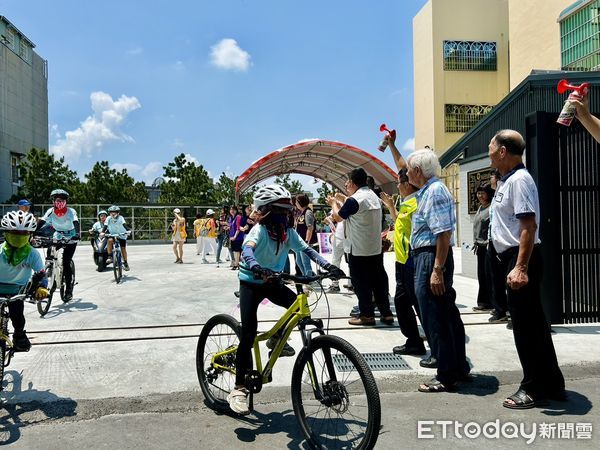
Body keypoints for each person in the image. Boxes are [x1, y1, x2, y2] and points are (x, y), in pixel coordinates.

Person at [227, 184, 345, 415]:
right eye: (281, 211)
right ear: (267, 212)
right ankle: (239, 389)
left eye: (287, 211)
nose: (286, 215)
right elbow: (248, 250)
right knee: (249, 333)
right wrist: (256, 267)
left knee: (299, 310)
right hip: (252, 282)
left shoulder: (287, 233)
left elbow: (308, 251)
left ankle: (277, 340)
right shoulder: (259, 231)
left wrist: (329, 266)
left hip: (274, 281)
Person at [488, 129, 565, 409]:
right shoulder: (507, 180)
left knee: (526, 329)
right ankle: (553, 384)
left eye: (491, 147)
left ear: (503, 151)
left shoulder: (520, 180)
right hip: (513, 258)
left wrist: (520, 267)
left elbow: (528, 227)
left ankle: (534, 387)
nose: (488, 152)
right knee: (536, 326)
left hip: (522, 259)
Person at [406, 149, 469, 393]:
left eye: (410, 169)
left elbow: (443, 234)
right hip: (429, 256)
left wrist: (437, 269)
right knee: (445, 314)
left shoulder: (434, 191)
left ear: (418, 171)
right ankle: (457, 367)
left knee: (435, 316)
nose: (407, 173)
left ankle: (446, 374)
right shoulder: (428, 190)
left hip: (432, 256)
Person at [326, 168, 394, 326]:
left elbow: (338, 217)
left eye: (348, 181)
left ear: (352, 182)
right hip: (375, 248)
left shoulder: (355, 199)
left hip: (358, 249)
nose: (347, 184)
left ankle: (367, 315)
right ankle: (386, 313)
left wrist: (334, 203)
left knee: (361, 284)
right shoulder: (373, 197)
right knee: (379, 282)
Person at [0, 210, 49, 351]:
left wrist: (41, 287)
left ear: (30, 234)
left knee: (17, 317)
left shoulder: (32, 254)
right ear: (6, 233)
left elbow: (41, 273)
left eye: (23, 234)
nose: (19, 237)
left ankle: (19, 335)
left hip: (17, 291)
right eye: (15, 233)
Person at [36, 189, 80, 300]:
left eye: (62, 199)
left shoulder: (71, 211)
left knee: (66, 262)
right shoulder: (50, 211)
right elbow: (41, 222)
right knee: (50, 249)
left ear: (66, 201)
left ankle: (69, 289)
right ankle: (50, 269)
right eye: (57, 200)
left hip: (71, 236)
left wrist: (77, 233)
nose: (59, 202)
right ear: (53, 201)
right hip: (58, 234)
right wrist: (32, 232)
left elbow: (75, 222)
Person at [472, 183, 495, 313]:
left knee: (488, 275)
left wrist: (487, 242)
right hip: (479, 247)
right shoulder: (481, 208)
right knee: (481, 275)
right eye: (478, 193)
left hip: (487, 246)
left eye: (482, 193)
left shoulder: (491, 208)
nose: (480, 195)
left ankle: (490, 302)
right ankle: (483, 302)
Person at [294, 194, 317, 276]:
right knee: (299, 262)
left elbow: (310, 228)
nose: (295, 203)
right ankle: (306, 278)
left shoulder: (308, 212)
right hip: (300, 243)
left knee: (305, 263)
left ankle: (309, 280)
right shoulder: (302, 213)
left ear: (300, 202)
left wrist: (307, 242)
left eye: (296, 202)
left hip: (305, 242)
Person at [102, 205, 130, 270]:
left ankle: (125, 262)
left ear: (118, 213)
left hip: (122, 235)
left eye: (115, 212)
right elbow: (105, 226)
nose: (113, 213)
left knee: (123, 248)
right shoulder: (108, 218)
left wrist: (128, 230)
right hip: (113, 234)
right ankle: (109, 257)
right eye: (111, 212)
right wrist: (102, 232)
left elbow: (124, 225)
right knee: (109, 241)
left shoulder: (121, 218)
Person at [228, 206, 243, 270]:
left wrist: (235, 236)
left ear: (236, 210)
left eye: (233, 210)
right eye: (231, 210)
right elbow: (231, 226)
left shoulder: (238, 217)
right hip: (232, 237)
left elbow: (238, 227)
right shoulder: (231, 218)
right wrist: (227, 227)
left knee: (237, 251)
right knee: (234, 251)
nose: (232, 211)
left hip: (238, 237)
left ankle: (236, 264)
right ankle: (237, 264)